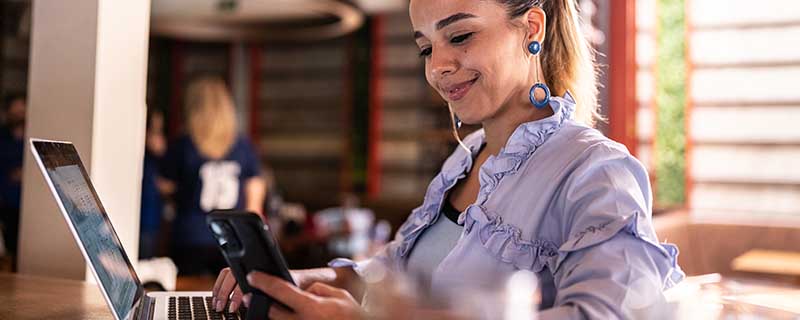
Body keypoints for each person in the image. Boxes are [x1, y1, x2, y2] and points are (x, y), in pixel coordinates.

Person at [212, 0, 684, 319]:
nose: (437, 66)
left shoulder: (595, 170)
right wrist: (307, 278)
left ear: (532, 28)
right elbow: (395, 273)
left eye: (459, 36)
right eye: (425, 47)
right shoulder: (463, 163)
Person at [160, 77, 266, 275]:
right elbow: (255, 199)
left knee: (188, 294)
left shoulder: (184, 145)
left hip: (191, 237)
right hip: (233, 236)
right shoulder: (243, 146)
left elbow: (164, 185)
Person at [0, 93, 26, 261]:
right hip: (6, 203)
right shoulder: (2, 138)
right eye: (15, 112)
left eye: (22, 111)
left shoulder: (32, 137)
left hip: (27, 204)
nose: (19, 115)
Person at [139, 109, 167, 259]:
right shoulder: (139, 157)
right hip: (142, 219)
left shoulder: (157, 160)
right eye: (154, 131)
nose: (159, 138)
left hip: (152, 220)